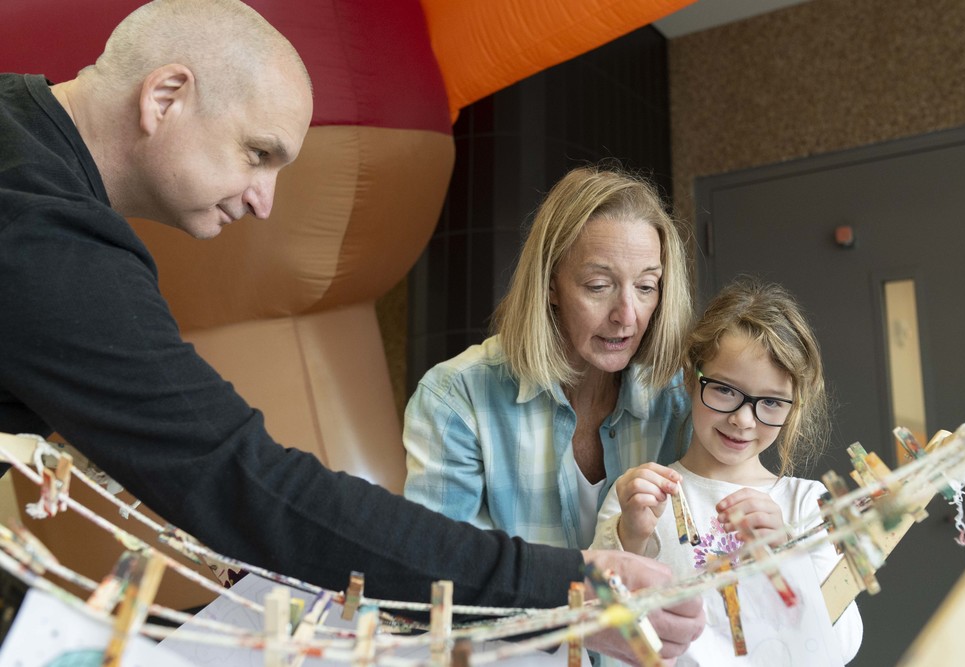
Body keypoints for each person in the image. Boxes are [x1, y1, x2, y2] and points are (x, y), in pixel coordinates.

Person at [0, 1, 704, 662]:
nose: (265, 202)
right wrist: (565, 585)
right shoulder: (42, 231)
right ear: (165, 97)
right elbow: (240, 478)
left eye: (647, 287)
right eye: (258, 153)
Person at [404, 164, 693, 552]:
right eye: (599, 286)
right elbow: (443, 566)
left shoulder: (679, 398)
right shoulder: (458, 397)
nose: (627, 316)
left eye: (645, 286)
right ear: (550, 285)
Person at [591, 277, 863, 664]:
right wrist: (629, 538)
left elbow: (843, 645)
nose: (743, 420)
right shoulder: (641, 497)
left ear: (794, 406)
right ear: (690, 378)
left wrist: (789, 557)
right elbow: (596, 632)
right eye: (724, 390)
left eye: (770, 402)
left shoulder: (806, 505)